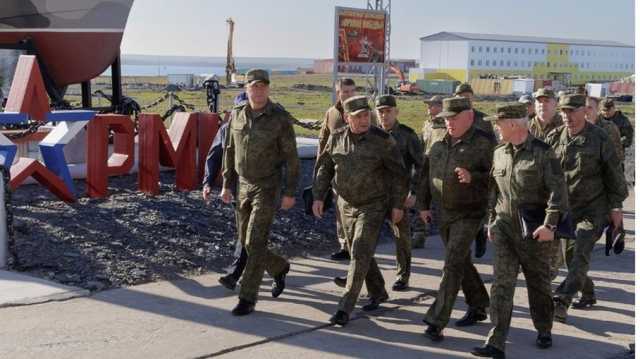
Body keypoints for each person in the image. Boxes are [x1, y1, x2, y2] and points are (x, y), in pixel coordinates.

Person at [470, 103, 568, 358]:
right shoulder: (499, 152)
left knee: (539, 285)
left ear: (513, 124)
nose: (495, 127)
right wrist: (491, 219)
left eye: (499, 123)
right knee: (501, 285)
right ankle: (496, 341)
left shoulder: (543, 153)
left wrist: (549, 225)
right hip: (504, 229)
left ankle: (544, 328)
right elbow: (494, 190)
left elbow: (558, 193)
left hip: (534, 233)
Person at [313, 95, 409, 326]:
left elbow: (399, 174)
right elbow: (325, 167)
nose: (365, 120)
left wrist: (397, 205)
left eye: (367, 115)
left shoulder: (382, 140)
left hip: (373, 205)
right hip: (345, 204)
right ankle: (378, 292)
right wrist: (318, 196)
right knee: (362, 252)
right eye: (358, 116)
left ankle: (345, 308)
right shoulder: (336, 138)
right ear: (347, 118)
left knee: (358, 251)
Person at [221, 68, 300, 316]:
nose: (259, 90)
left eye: (263, 86)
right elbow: (229, 151)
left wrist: (289, 191)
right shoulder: (237, 115)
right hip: (242, 185)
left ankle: (247, 297)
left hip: (267, 185)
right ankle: (278, 267)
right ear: (246, 89)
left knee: (255, 241)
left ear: (268, 88)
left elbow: (292, 158)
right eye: (254, 86)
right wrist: (226, 184)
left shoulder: (279, 118)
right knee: (246, 241)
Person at [417, 97, 494, 342]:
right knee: (460, 261)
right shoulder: (438, 143)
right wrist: (423, 205)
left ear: (469, 117)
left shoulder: (484, 144)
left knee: (451, 264)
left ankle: (437, 320)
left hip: (471, 213)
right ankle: (479, 303)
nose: (449, 122)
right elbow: (425, 175)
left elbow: (498, 178)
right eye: (447, 118)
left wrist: (475, 177)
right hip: (445, 213)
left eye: (454, 118)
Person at [545, 94, 628, 323]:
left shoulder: (599, 138)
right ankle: (588, 291)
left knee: (581, 247)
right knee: (573, 258)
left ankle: (562, 300)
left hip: (594, 208)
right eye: (563, 111)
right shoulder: (554, 138)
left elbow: (614, 174)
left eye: (572, 111)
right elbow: (548, 175)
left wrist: (616, 207)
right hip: (567, 209)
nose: (567, 116)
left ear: (584, 111)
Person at [375, 94, 423, 290]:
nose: (384, 116)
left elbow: (420, 166)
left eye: (388, 111)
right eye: (380, 112)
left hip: (399, 194)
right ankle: (359, 275)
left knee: (401, 237)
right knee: (363, 237)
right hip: (374, 194)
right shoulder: (370, 133)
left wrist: (414, 191)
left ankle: (403, 276)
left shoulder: (407, 135)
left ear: (396, 112)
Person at [317, 78, 357, 261]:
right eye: (345, 91)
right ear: (338, 92)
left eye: (351, 91)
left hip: (360, 171)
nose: (348, 95)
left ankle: (357, 244)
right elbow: (323, 140)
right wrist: (319, 168)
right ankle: (344, 245)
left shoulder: (365, 113)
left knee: (357, 210)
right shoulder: (331, 113)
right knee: (340, 209)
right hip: (337, 170)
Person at [413, 95, 445, 249]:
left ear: (441, 107)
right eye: (429, 105)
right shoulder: (427, 124)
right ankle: (420, 233)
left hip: (439, 170)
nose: (429, 107)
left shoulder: (445, 125)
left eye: (432, 105)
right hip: (424, 167)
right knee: (422, 200)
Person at [599, 98, 634, 162]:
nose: (606, 112)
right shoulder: (598, 118)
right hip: (599, 154)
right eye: (603, 110)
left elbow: (628, 138)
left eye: (608, 110)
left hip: (616, 155)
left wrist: (616, 142)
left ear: (614, 108)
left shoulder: (622, 120)